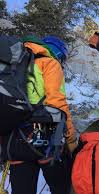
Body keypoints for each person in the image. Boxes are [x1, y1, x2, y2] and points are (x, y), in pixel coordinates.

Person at [4, 36, 77, 194]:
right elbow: (58, 104)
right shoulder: (49, 62)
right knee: (61, 188)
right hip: (43, 135)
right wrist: (71, 139)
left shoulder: (13, 62)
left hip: (14, 136)